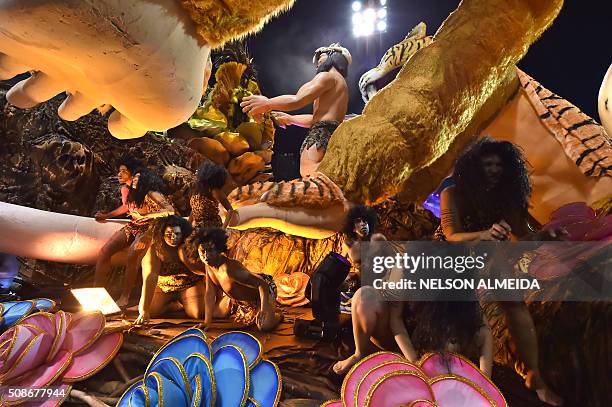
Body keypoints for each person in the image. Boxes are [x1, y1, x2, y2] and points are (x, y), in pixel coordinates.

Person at [438, 137, 565, 405]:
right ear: (474, 168)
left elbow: (521, 239)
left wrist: (545, 235)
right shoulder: (453, 191)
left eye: (499, 165)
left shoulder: (506, 195)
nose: (494, 170)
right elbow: (451, 235)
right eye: (488, 164)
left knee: (514, 303)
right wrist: (484, 234)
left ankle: (534, 377)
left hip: (490, 259)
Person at [332, 285, 493, 380]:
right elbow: (396, 319)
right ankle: (360, 353)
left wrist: (484, 382)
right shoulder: (405, 270)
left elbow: (483, 331)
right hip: (402, 338)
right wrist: (414, 360)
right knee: (364, 296)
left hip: (436, 344)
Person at [240, 43, 350, 177]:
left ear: (333, 58)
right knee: (321, 174)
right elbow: (320, 119)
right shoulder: (341, 84)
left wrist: (267, 103)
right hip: (331, 135)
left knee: (312, 175)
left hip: (321, 136)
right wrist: (291, 119)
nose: (317, 66)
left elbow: (298, 99)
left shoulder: (328, 77)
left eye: (321, 60)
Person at [95, 168, 175, 306]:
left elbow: (170, 211)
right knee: (104, 251)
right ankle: (96, 294)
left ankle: (124, 297)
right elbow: (126, 208)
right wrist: (106, 216)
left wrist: (146, 216)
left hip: (150, 228)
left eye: (138, 178)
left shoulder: (152, 193)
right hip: (133, 226)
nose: (134, 180)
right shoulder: (131, 192)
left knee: (132, 255)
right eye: (134, 178)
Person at [194, 227, 281, 331]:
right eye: (202, 251)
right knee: (213, 313)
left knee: (264, 326)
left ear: (218, 249)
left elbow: (262, 284)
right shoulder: (208, 265)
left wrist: (263, 309)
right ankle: (245, 307)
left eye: (210, 250)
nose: (206, 255)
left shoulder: (230, 269)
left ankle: (277, 314)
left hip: (265, 289)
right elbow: (210, 293)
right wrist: (207, 322)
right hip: (240, 299)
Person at [134, 215, 204, 325]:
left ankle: (183, 302)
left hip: (189, 283)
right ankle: (172, 304)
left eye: (177, 234)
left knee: (198, 313)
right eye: (169, 234)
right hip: (164, 286)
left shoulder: (189, 245)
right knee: (150, 311)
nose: (173, 237)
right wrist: (143, 310)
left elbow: (203, 271)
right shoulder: (155, 249)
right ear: (162, 234)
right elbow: (150, 276)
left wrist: (185, 260)